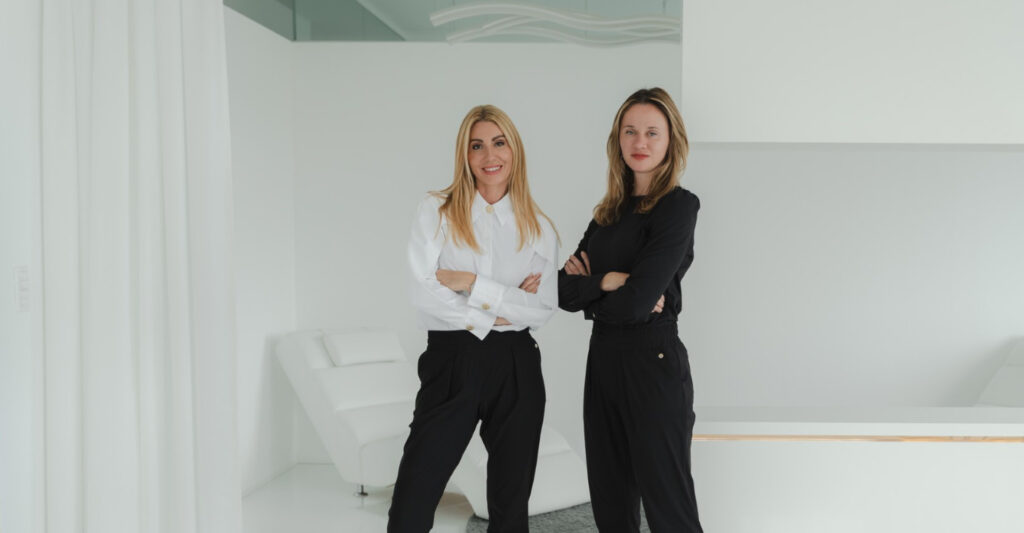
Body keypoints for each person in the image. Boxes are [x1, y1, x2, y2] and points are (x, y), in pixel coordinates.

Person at [388, 105, 559, 533]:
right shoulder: (437, 210)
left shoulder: (538, 227)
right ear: (464, 154)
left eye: (499, 143)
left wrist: (471, 284)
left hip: (517, 365)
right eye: (476, 146)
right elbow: (422, 290)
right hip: (452, 360)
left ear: (514, 150)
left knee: (510, 506)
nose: (489, 156)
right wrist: (501, 308)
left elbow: (542, 307)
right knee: (414, 496)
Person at [558, 88, 703, 532]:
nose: (640, 142)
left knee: (669, 508)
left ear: (670, 140)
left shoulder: (678, 207)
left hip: (652, 363)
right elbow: (561, 290)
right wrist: (608, 281)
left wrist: (595, 290)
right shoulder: (607, 214)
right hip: (602, 361)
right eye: (630, 131)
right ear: (617, 140)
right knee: (611, 505)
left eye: (652, 132)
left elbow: (638, 304)